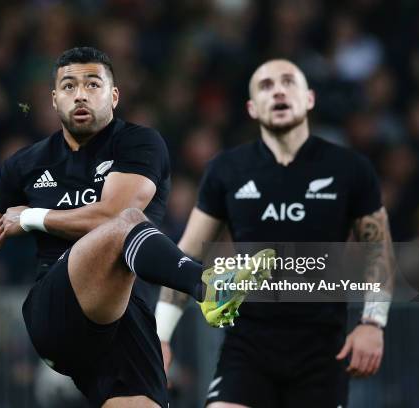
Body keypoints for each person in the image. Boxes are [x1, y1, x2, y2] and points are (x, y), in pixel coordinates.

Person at [0, 47, 262, 408]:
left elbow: (111, 212)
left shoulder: (139, 144)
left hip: (126, 317)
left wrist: (33, 216)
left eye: (92, 84)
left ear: (114, 95)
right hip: (56, 310)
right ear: (53, 100)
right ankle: (208, 286)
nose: (80, 93)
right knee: (126, 223)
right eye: (68, 86)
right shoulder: (28, 162)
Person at [155, 59, 394, 408]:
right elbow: (186, 255)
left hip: (321, 351)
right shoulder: (227, 170)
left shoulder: (350, 169)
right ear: (252, 108)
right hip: (247, 345)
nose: (278, 90)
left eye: (288, 82)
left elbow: (379, 249)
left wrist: (373, 322)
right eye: (266, 86)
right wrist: (160, 336)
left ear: (309, 99)